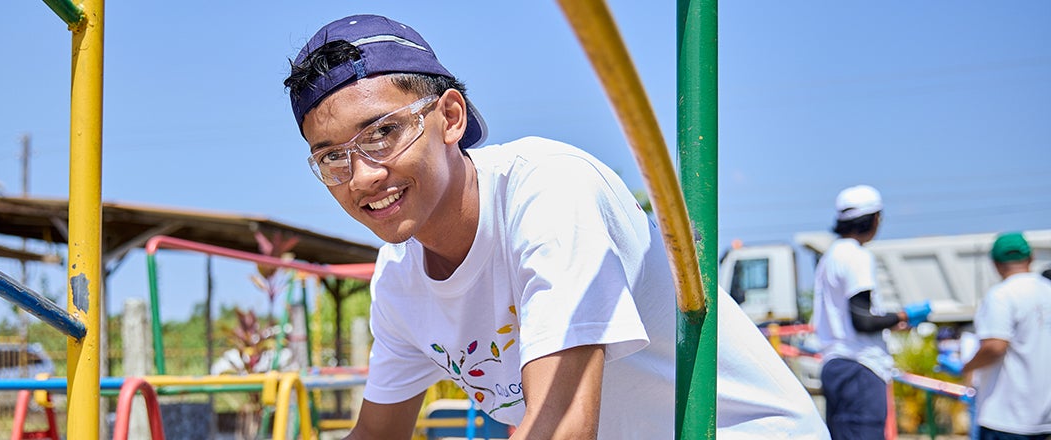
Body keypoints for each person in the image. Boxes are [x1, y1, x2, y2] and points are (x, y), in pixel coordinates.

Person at [283, 14, 828, 439]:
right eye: (331, 157)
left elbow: (563, 428)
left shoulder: (547, 191)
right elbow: (378, 433)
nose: (361, 177)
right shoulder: (400, 278)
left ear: (450, 117)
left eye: (381, 132)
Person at [811, 185, 930, 440]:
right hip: (860, 368)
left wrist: (888, 321)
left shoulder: (830, 256)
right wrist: (903, 316)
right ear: (874, 219)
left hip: (836, 365)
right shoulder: (857, 256)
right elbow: (863, 321)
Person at [961, 232, 1051, 440]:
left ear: (996, 263)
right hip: (1044, 416)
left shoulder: (1001, 295)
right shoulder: (1048, 290)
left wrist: (968, 366)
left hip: (1007, 416)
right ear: (1031, 257)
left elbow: (995, 346)